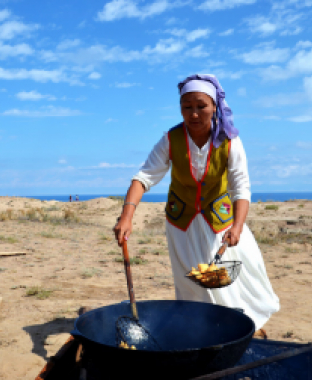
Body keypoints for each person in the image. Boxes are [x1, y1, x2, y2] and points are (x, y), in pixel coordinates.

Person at [113, 74, 279, 335]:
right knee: (191, 281)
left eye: (201, 106)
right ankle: (200, 330)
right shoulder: (171, 139)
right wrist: (126, 215)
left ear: (214, 106)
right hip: (183, 225)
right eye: (186, 107)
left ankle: (240, 329)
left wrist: (237, 226)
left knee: (225, 283)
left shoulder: (230, 141)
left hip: (220, 224)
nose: (193, 114)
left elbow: (241, 187)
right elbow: (144, 177)